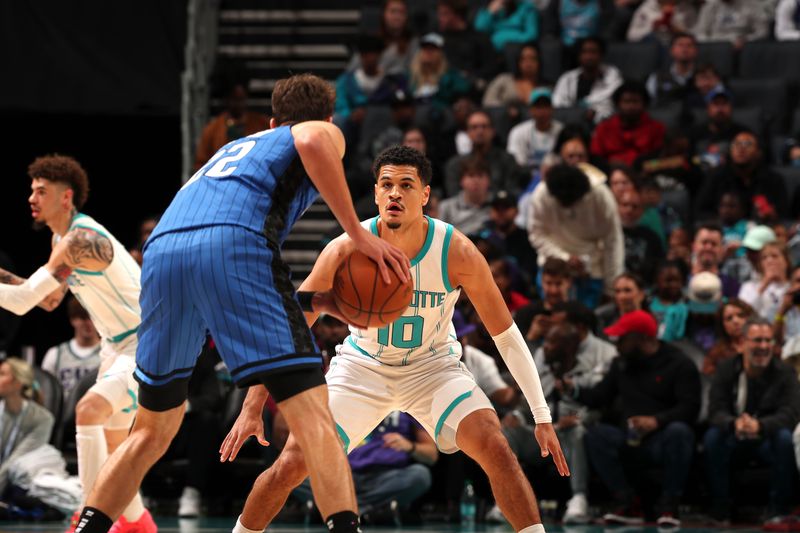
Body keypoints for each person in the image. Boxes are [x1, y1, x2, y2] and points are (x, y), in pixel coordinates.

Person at [70, 74, 411, 533]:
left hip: (164, 251)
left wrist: (321, 300)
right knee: (314, 421)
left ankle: (86, 528)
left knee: (151, 430)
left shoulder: (229, 151)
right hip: (231, 244)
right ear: (328, 118)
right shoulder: (316, 129)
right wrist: (358, 235)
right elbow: (310, 137)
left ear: (270, 120)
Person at [220, 145, 568, 533]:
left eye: (406, 184)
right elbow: (292, 328)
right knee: (290, 464)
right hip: (361, 369)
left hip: (432, 368)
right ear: (375, 193)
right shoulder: (345, 249)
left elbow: (506, 335)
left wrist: (541, 416)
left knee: (496, 446)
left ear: (425, 195)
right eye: (386, 184)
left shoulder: (457, 252)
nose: (395, 193)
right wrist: (253, 406)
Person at [0, 154, 154, 533]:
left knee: (89, 411)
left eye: (41, 191)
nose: (32, 198)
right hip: (115, 347)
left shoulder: (81, 239)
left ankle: (86, 518)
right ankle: (138, 522)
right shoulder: (61, 240)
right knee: (117, 449)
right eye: (31, 191)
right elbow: (48, 300)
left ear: (65, 197)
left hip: (147, 342)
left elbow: (22, 304)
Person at [564, 310, 701, 527]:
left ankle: (669, 504)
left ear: (643, 338)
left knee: (680, 432)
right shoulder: (621, 364)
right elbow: (600, 396)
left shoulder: (679, 364)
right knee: (596, 435)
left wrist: (656, 421)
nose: (616, 343)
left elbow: (690, 408)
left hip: (662, 437)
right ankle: (627, 502)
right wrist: (573, 390)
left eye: (622, 338)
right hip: (629, 437)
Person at [704, 317, 800, 528]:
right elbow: (715, 410)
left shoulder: (784, 372)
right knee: (712, 437)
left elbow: (791, 412)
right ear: (743, 342)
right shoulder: (726, 369)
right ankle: (720, 509)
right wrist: (734, 423)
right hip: (734, 435)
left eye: (768, 341)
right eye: (757, 340)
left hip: (767, 436)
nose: (763, 347)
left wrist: (761, 425)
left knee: (785, 438)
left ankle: (778, 510)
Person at [527, 163, 624, 305]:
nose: (567, 207)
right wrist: (564, 258)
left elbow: (613, 242)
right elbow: (536, 234)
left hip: (592, 271)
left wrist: (611, 287)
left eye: (571, 202)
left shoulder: (601, 196)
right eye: (562, 202)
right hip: (553, 265)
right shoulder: (541, 194)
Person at [0, 358, 55, 497]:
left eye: (2, 374)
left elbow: (16, 462)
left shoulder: (43, 419)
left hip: (20, 488)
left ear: (19, 382)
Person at [194, 81, 268, 171]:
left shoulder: (261, 123)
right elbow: (201, 162)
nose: (238, 103)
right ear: (227, 100)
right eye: (234, 99)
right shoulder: (212, 129)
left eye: (241, 99)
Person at [591, 81, 666, 167]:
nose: (631, 106)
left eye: (635, 102)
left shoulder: (657, 128)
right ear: (618, 104)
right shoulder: (604, 128)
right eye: (626, 102)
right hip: (610, 173)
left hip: (645, 174)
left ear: (645, 104)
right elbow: (596, 156)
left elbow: (659, 158)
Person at [41, 297, 101, 404]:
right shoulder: (55, 354)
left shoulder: (109, 353)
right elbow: (46, 390)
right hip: (64, 417)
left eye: (92, 317)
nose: (89, 323)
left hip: (96, 413)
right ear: (73, 320)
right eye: (83, 318)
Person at [552, 37, 623, 123]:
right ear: (579, 55)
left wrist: (592, 112)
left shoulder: (612, 75)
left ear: (601, 54)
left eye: (593, 52)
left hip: (601, 123)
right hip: (570, 123)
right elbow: (558, 103)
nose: (589, 56)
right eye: (584, 52)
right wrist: (579, 112)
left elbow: (608, 103)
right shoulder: (567, 77)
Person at [507, 88, 564, 173]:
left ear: (552, 109)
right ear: (531, 110)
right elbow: (516, 163)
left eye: (545, 106)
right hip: (526, 177)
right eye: (538, 107)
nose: (542, 111)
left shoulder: (562, 131)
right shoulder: (518, 132)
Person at [704, 298, 755, 376]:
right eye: (729, 318)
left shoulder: (765, 345)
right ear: (723, 325)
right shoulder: (717, 353)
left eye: (740, 315)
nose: (735, 321)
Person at [646, 32, 698, 106]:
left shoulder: (705, 77)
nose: (685, 49)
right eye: (680, 45)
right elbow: (649, 103)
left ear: (696, 51)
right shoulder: (657, 77)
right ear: (671, 50)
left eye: (689, 45)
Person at [474, 0, 540, 51]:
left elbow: (532, 35)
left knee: (511, 49)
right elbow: (479, 29)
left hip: (517, 47)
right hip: (491, 49)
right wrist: (489, 12)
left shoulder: (526, 7)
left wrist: (503, 40)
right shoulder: (490, 7)